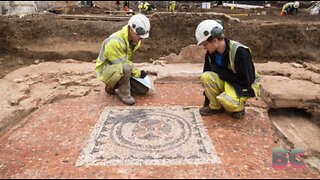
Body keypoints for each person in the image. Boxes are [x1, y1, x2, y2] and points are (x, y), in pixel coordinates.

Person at [195, 20, 260, 119]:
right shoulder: (210, 53)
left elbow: (247, 80)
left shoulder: (240, 52)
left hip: (243, 84)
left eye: (205, 44)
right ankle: (216, 107)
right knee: (206, 77)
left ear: (215, 40)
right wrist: (207, 102)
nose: (204, 47)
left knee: (227, 101)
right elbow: (207, 73)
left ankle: (239, 108)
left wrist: (223, 75)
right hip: (228, 80)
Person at [95, 14, 151, 105]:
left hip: (119, 68)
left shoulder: (134, 40)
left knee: (143, 89)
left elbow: (125, 61)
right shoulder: (114, 42)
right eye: (139, 36)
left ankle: (114, 87)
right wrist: (138, 73)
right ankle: (124, 93)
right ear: (130, 29)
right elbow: (124, 64)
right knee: (126, 68)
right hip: (106, 71)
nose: (141, 39)